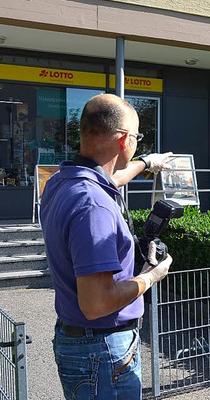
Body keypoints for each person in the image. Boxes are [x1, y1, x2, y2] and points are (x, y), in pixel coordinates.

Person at [40, 93, 174, 399]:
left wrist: (145, 163)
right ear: (124, 139)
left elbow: (108, 180)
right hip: (102, 351)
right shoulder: (93, 206)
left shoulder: (63, 181)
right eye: (138, 138)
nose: (138, 143)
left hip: (80, 344)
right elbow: (96, 304)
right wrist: (151, 276)